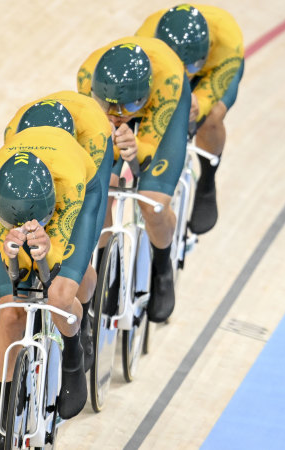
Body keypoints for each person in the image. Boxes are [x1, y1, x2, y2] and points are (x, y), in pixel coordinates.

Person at [0, 125, 98, 449]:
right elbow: (11, 265)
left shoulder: (70, 183)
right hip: (18, 209)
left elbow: (52, 267)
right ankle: (5, 422)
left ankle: (74, 355)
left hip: (74, 202)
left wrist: (48, 252)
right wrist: (12, 253)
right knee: (11, 315)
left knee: (59, 295)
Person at [77, 36, 191, 323]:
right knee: (99, 193)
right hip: (116, 112)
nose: (116, 115)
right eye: (108, 105)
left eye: (124, 108)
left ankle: (162, 268)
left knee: (152, 204)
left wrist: (135, 150)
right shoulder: (86, 76)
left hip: (161, 113)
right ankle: (107, 268)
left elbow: (146, 160)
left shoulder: (167, 84)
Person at [4, 95, 115, 372]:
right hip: (33, 184)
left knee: (67, 276)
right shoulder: (9, 144)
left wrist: (52, 258)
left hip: (81, 181)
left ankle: (81, 324)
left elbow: (74, 230)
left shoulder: (79, 157)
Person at [136, 4, 244, 234]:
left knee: (211, 115)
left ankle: (207, 181)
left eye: (191, 66)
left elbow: (210, 92)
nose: (187, 72)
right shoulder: (144, 40)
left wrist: (200, 104)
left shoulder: (227, 39)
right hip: (163, 72)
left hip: (212, 72)